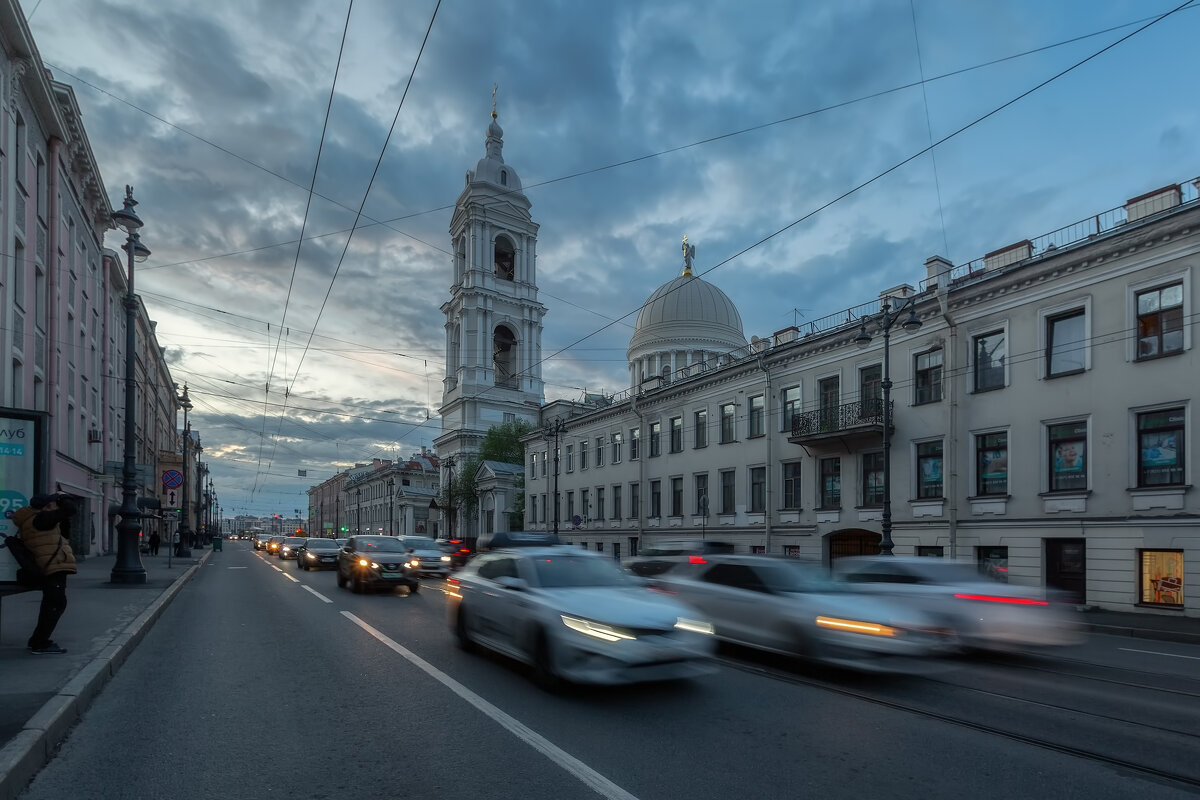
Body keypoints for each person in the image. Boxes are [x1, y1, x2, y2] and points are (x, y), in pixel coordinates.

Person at [11, 493, 78, 655]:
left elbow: (64, 535)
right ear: (46, 507)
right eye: (54, 504)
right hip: (52, 567)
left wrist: (62, 514)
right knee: (55, 604)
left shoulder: (38, 520)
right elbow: (70, 509)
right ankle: (40, 643)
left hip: (52, 565)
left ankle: (38, 640)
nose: (57, 506)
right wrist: (63, 498)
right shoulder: (40, 520)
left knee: (52, 603)